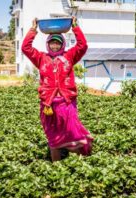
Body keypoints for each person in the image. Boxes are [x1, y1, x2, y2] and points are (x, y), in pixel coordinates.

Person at [21, 16, 93, 162]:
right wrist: (33, 30)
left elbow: (82, 46)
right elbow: (25, 48)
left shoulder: (70, 56)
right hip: (48, 104)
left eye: (58, 43)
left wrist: (75, 27)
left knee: (72, 132)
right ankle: (56, 168)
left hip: (67, 102)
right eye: (52, 43)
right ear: (48, 44)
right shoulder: (41, 58)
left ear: (62, 44)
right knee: (52, 135)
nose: (55, 46)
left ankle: (81, 162)